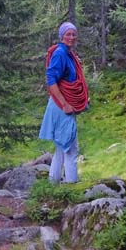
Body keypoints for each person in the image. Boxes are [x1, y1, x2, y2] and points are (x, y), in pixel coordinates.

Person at [39, 22, 89, 183]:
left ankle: (52, 185)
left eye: (74, 34)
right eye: (68, 34)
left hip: (62, 106)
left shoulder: (68, 54)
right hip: (61, 106)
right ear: (62, 36)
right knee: (71, 149)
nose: (72, 37)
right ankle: (71, 187)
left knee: (61, 148)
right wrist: (65, 104)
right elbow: (51, 80)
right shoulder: (60, 53)